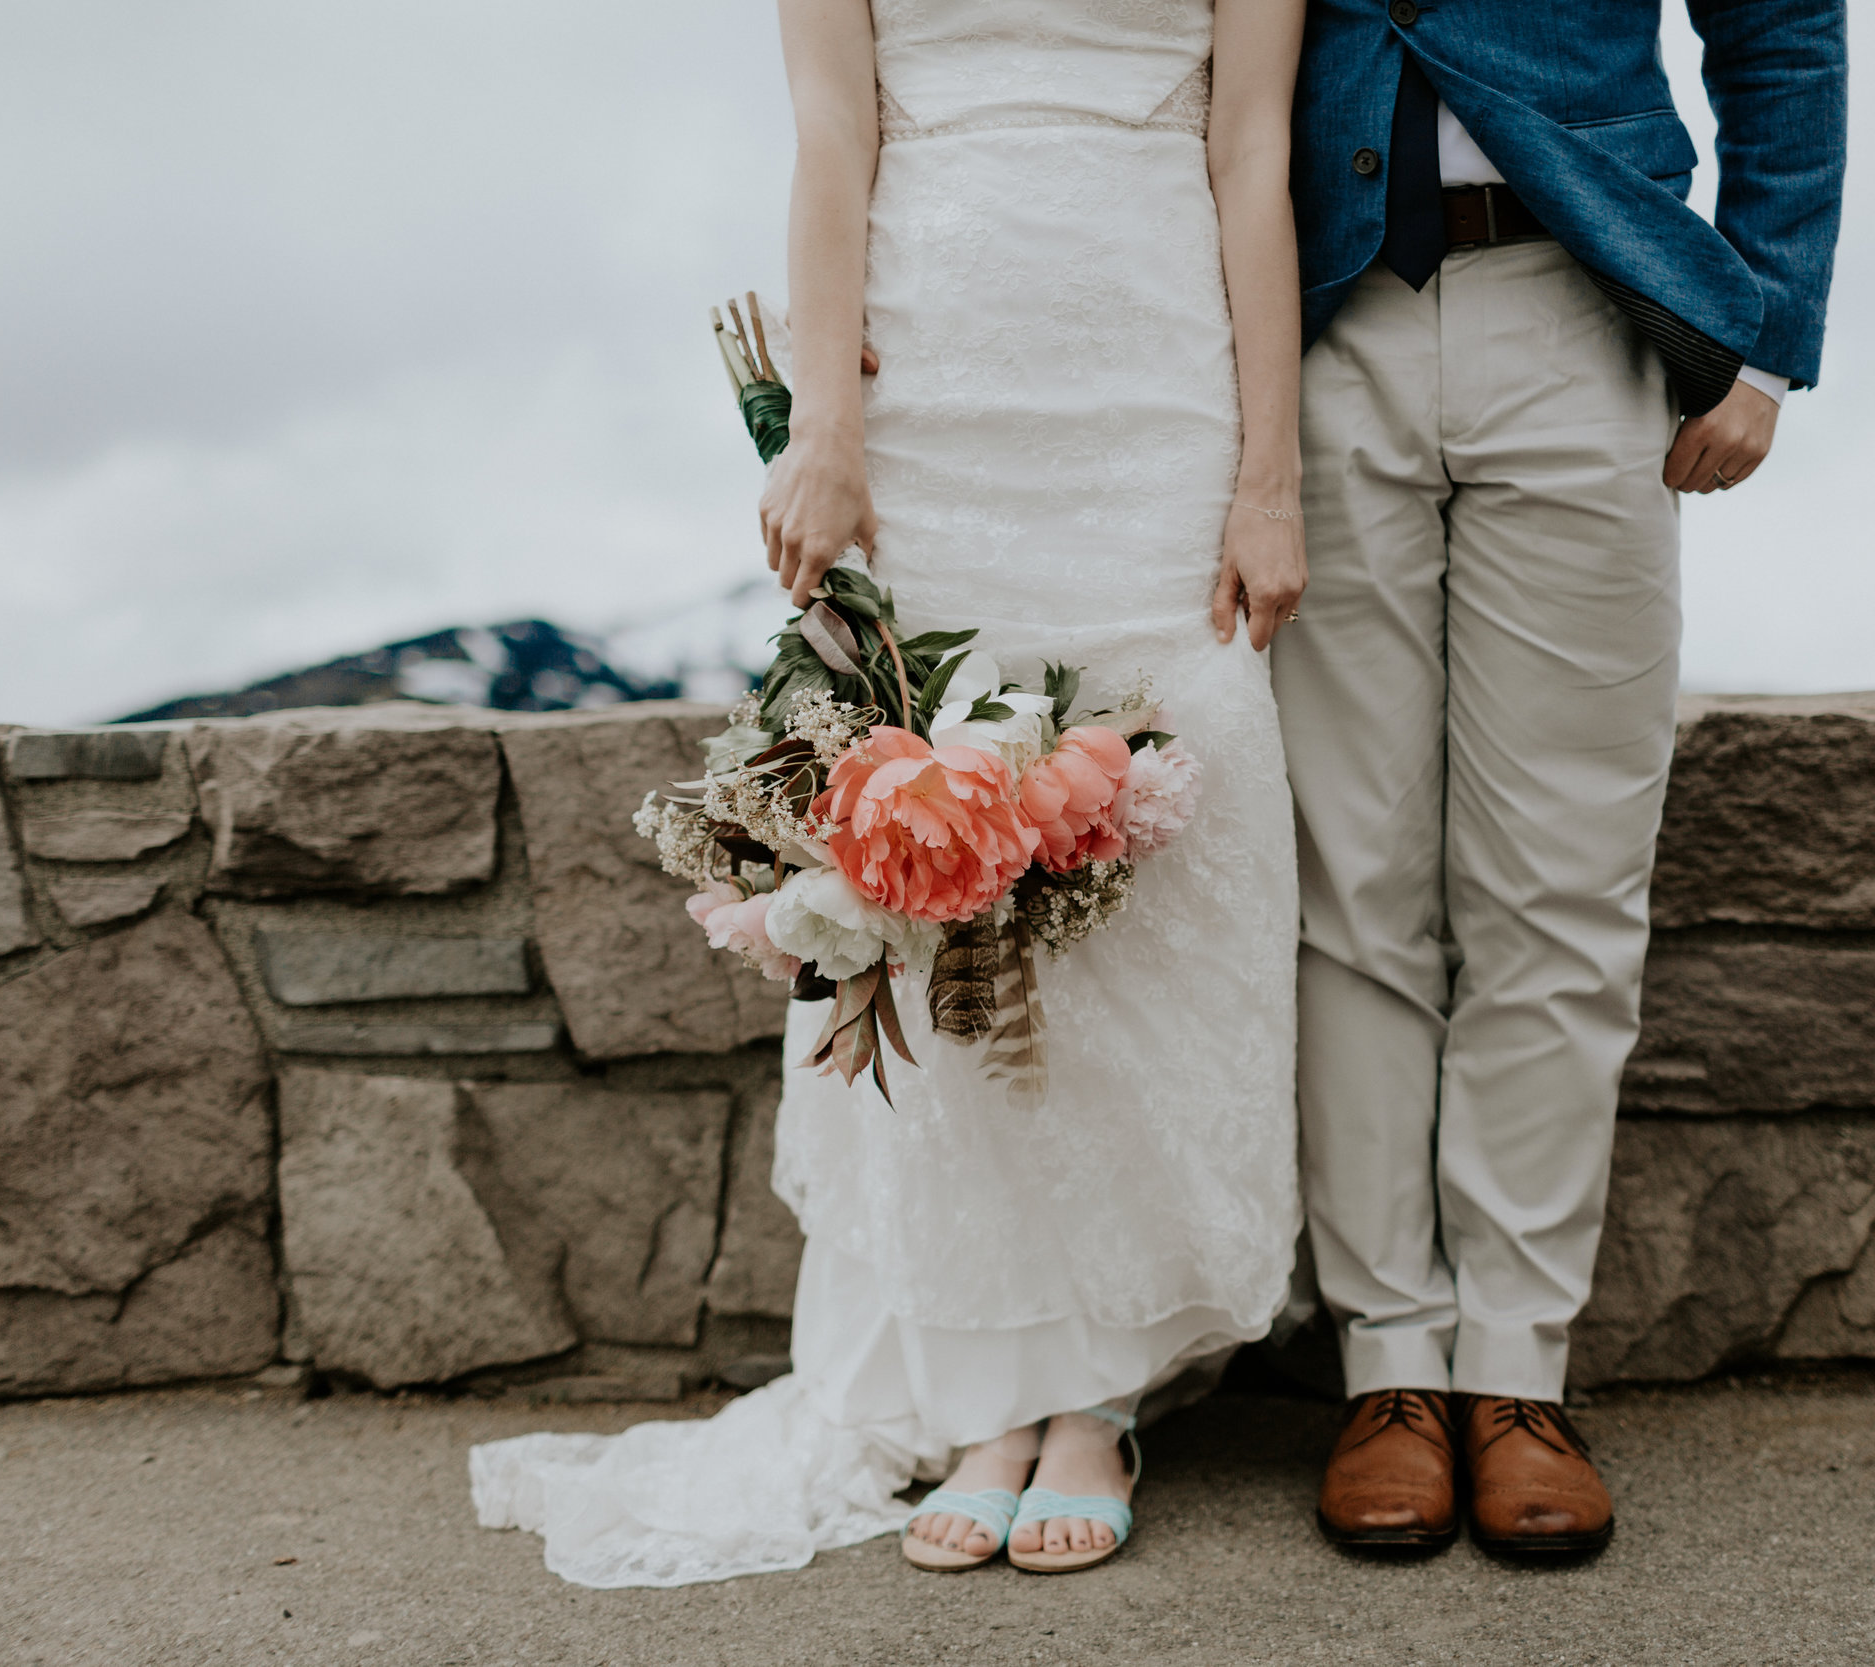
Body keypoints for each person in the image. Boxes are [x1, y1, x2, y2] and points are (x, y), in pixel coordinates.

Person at [469, 0, 1309, 1585]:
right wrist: (831, 434)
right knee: (937, 861)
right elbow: (836, 133)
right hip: (943, 402)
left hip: (1155, 403)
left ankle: (1094, 1401)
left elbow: (1251, 146)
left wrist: (1269, 479)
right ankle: (987, 1392)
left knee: (1145, 877)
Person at [1276, 0, 1848, 1555]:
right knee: (1350, 882)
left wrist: (1769, 330)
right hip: (1318, 317)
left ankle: (1518, 1374)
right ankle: (1388, 1368)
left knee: (1565, 883)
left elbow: (1785, 35)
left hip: (1585, 305)